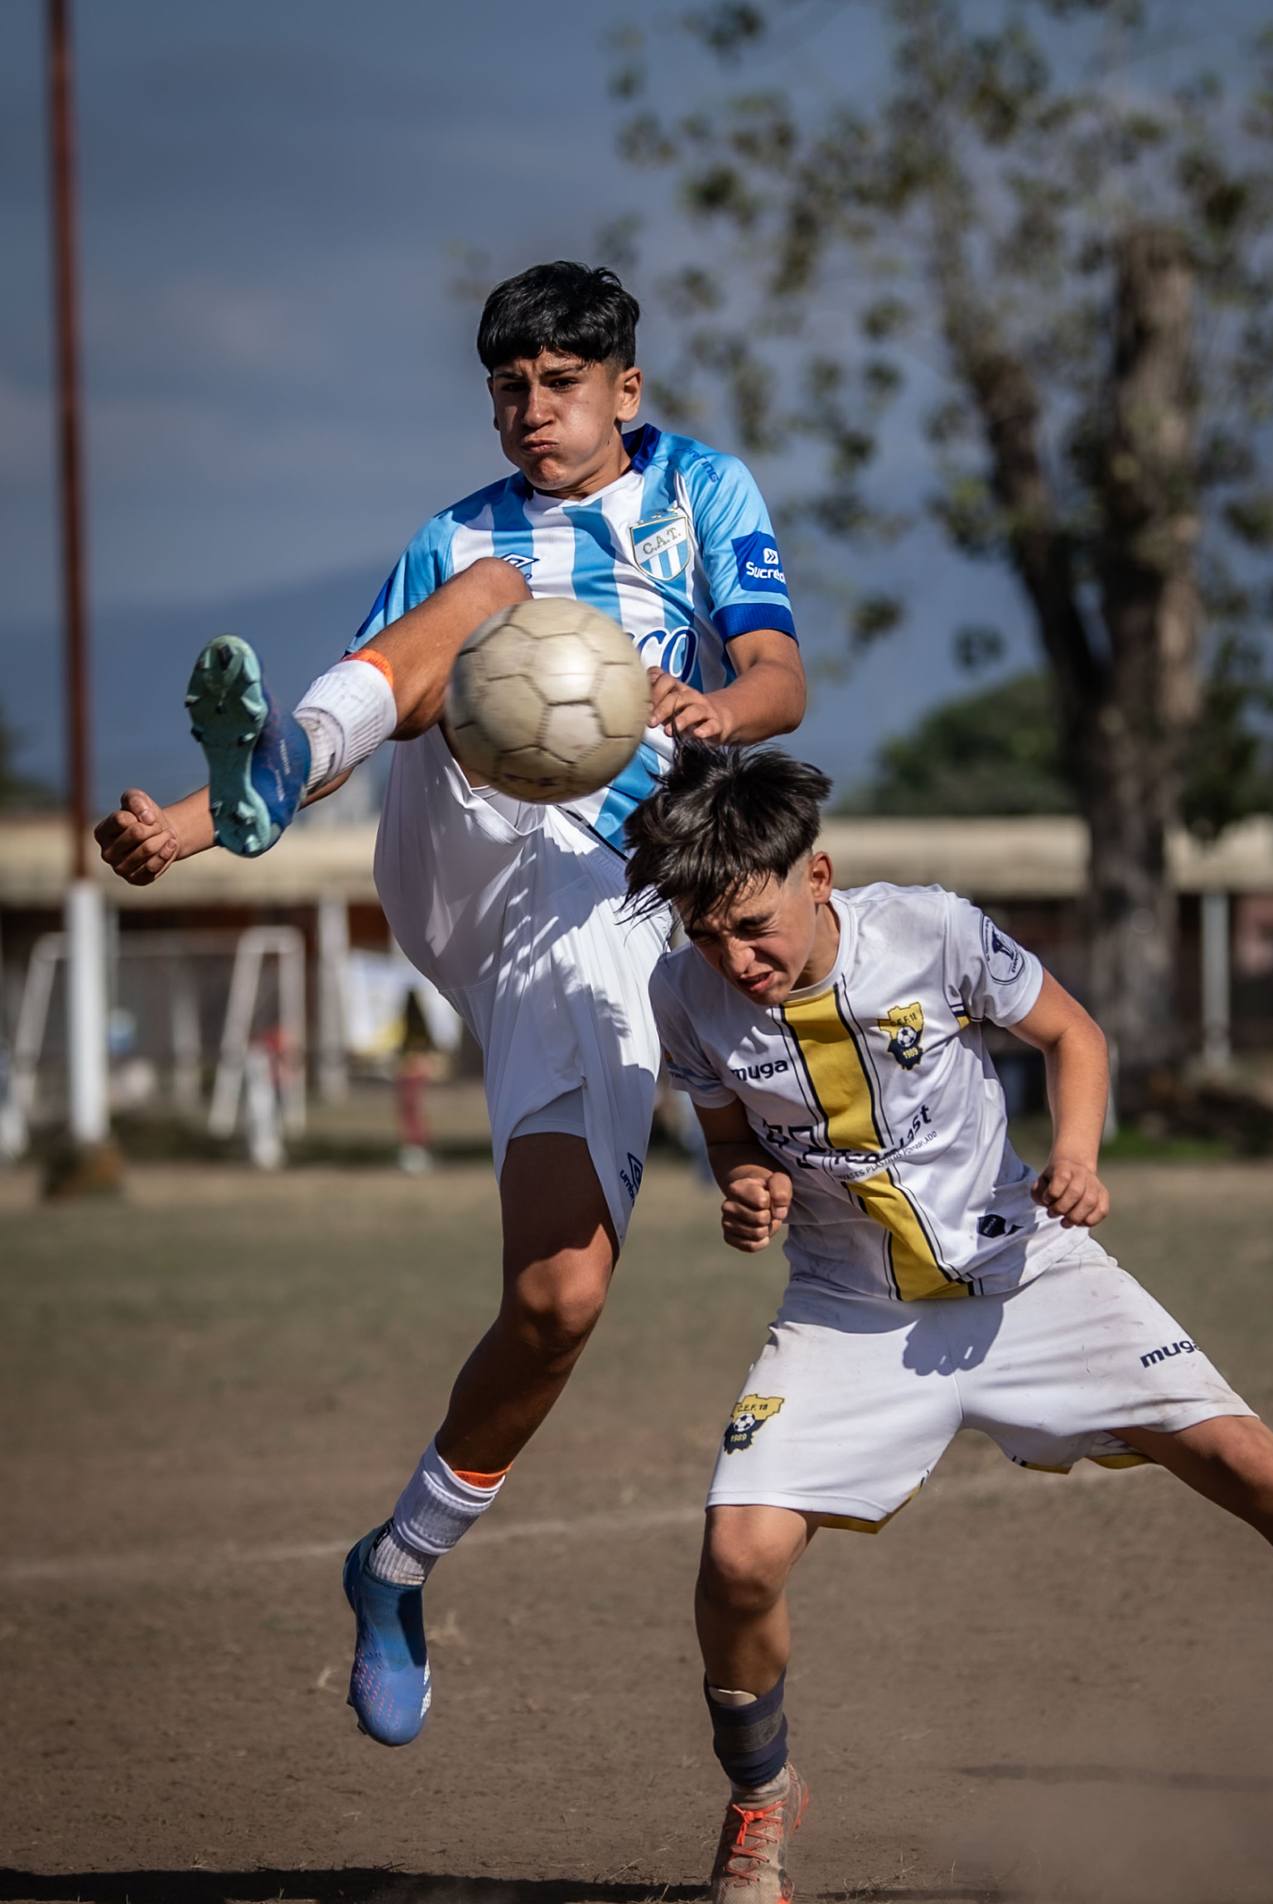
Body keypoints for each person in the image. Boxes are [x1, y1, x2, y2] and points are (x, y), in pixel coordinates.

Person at [623, 743, 1273, 1904]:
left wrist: (1076, 1152)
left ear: (818, 872)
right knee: (738, 1557)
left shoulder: (932, 931)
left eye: (750, 927)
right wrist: (743, 1187)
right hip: (848, 1307)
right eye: (708, 939)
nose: (733, 961)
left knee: (1247, 1461)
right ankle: (762, 1794)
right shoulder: (684, 996)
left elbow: (1073, 1037)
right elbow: (729, 1135)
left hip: (1028, 1272)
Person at [92, 263, 806, 1747]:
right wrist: (191, 821)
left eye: (559, 384)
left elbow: (776, 674)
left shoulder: (701, 493)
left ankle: (393, 1567)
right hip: (463, 838)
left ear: (626, 388)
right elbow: (390, 686)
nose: (529, 412)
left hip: (600, 904)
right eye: (506, 387)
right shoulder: (459, 532)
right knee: (483, 600)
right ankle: (265, 782)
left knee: (558, 1302)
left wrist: (710, 713)